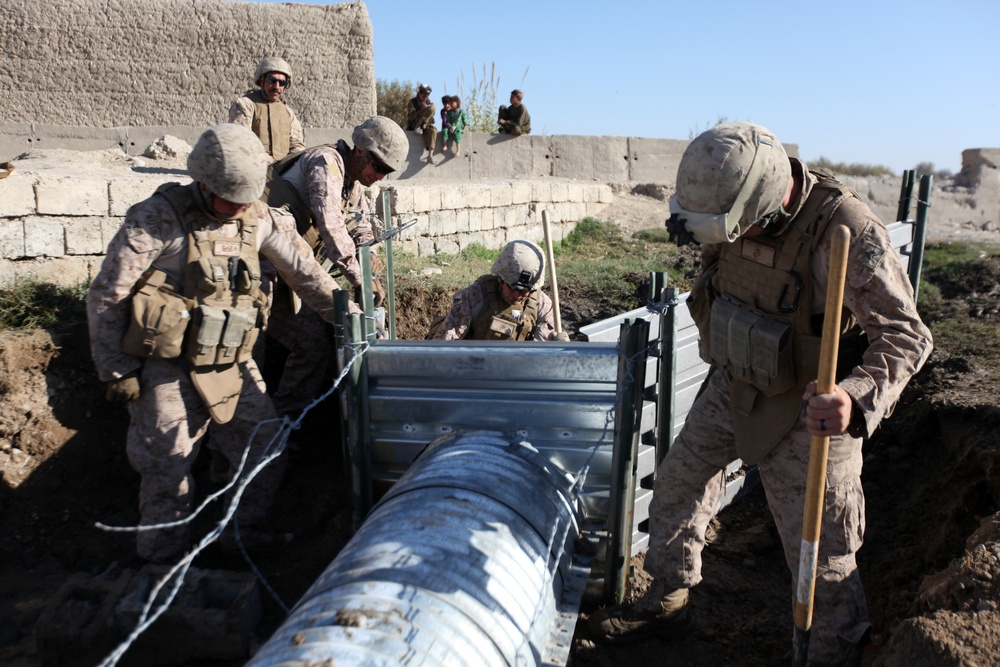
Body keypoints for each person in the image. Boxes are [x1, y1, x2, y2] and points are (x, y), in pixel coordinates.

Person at [587, 122, 933, 665]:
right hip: (737, 381)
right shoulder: (727, 214)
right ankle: (670, 598)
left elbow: (906, 335)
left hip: (814, 402)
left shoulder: (844, 229)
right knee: (679, 480)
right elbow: (716, 274)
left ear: (762, 203)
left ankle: (830, 654)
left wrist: (854, 398)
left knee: (820, 548)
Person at [86, 124, 354, 563]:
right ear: (205, 184)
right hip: (167, 367)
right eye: (232, 198)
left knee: (266, 450)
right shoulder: (159, 217)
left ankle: (239, 535)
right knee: (167, 467)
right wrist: (116, 369)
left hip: (231, 363)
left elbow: (304, 272)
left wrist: (351, 318)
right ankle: (161, 566)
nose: (240, 208)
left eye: (248, 198)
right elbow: (108, 294)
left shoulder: (257, 217)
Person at [259, 116, 407, 414]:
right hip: (258, 267)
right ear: (361, 151)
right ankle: (259, 420)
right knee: (253, 343)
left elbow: (361, 227)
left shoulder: (354, 186)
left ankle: (288, 422)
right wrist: (358, 278)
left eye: (387, 172)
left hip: (291, 269)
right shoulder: (326, 162)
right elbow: (331, 226)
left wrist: (370, 258)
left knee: (313, 341)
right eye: (379, 167)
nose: (380, 177)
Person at [429, 240, 569, 341]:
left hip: (517, 371)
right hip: (473, 368)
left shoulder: (543, 305)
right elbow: (445, 343)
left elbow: (541, 357)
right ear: (501, 278)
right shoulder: (474, 296)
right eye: (513, 287)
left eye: (524, 291)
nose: (517, 295)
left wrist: (558, 348)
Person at [228, 57, 305, 162]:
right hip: (254, 168)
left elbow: (297, 146)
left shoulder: (288, 113)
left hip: (282, 172)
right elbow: (242, 142)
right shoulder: (245, 105)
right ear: (261, 81)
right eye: (272, 80)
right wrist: (268, 162)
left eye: (282, 83)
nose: (277, 86)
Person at [406, 83, 437, 163]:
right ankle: (418, 125)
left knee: (433, 130)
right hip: (414, 124)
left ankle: (430, 155)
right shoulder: (412, 102)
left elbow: (430, 114)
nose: (425, 98)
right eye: (423, 96)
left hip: (424, 125)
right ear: (419, 93)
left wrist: (431, 117)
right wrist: (421, 110)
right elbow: (410, 117)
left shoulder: (428, 101)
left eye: (427, 96)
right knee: (432, 107)